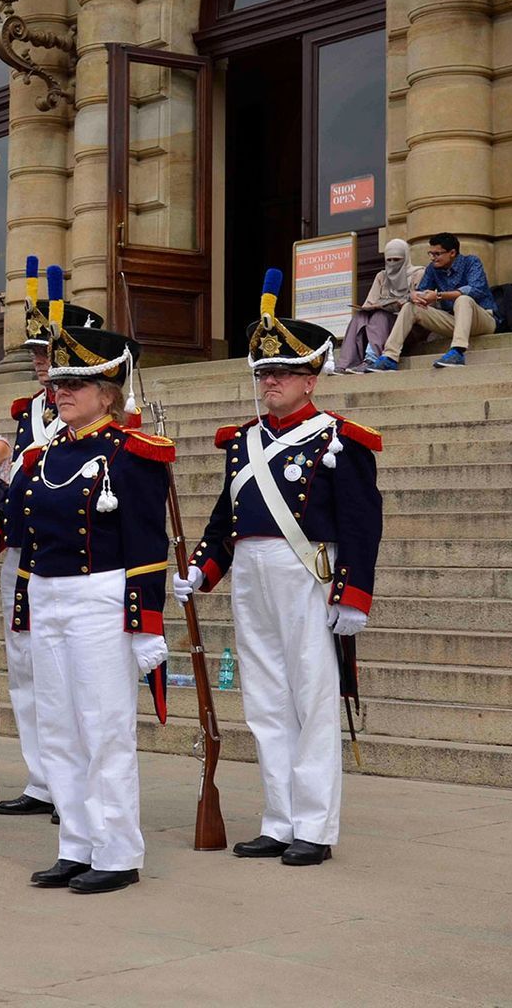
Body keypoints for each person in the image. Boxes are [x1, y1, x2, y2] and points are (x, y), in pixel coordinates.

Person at [179, 270, 383, 867]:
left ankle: (314, 827)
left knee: (311, 700)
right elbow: (226, 520)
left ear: (310, 378)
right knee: (265, 700)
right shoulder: (243, 442)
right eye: (263, 372)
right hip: (251, 576)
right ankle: (279, 818)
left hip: (308, 574)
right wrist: (202, 569)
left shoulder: (340, 439)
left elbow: (361, 523)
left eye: (282, 372)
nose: (269, 381)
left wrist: (353, 594)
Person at [4, 320, 173, 895]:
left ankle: (117, 851)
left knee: (103, 728)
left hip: (101, 598)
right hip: (48, 595)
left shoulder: (131, 455)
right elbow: (25, 538)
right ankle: (76, 844)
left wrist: (146, 624)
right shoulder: (42, 455)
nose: (61, 392)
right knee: (57, 728)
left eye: (75, 383)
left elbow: (147, 546)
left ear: (107, 392)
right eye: (59, 383)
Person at [0, 261, 106, 821]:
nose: (37, 362)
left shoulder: (100, 414)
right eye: (34, 353)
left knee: (70, 676)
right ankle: (43, 778)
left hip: (72, 558)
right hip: (24, 556)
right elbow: (22, 485)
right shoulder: (30, 410)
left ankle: (76, 781)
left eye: (46, 352)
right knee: (27, 667)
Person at [367, 232, 494, 371]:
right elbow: (422, 292)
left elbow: (475, 290)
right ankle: (390, 357)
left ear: (452, 253)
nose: (433, 258)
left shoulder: (471, 262)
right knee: (411, 307)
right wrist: (414, 295)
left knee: (463, 299)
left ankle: (457, 352)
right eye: (431, 253)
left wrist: (438, 296)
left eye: (437, 254)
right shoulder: (432, 269)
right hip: (452, 321)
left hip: (482, 320)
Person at [334, 238, 411, 373]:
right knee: (360, 316)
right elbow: (370, 302)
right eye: (389, 260)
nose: (392, 263)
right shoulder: (382, 276)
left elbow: (423, 304)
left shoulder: (417, 273)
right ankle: (346, 363)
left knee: (380, 316)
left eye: (397, 259)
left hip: (406, 329)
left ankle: (372, 359)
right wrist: (376, 306)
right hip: (380, 327)